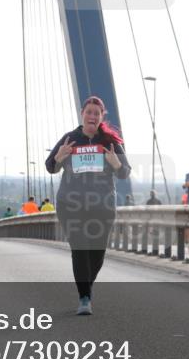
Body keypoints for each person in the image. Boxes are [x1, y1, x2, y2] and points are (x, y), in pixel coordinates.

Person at [45, 95, 131, 316]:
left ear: (101, 117)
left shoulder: (110, 142)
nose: (92, 116)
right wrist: (58, 158)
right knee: (80, 248)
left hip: (102, 205)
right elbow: (50, 167)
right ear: (82, 113)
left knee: (97, 253)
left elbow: (124, 173)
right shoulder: (70, 139)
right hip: (71, 205)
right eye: (89, 112)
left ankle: (87, 285)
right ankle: (84, 296)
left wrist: (116, 163)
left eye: (97, 113)